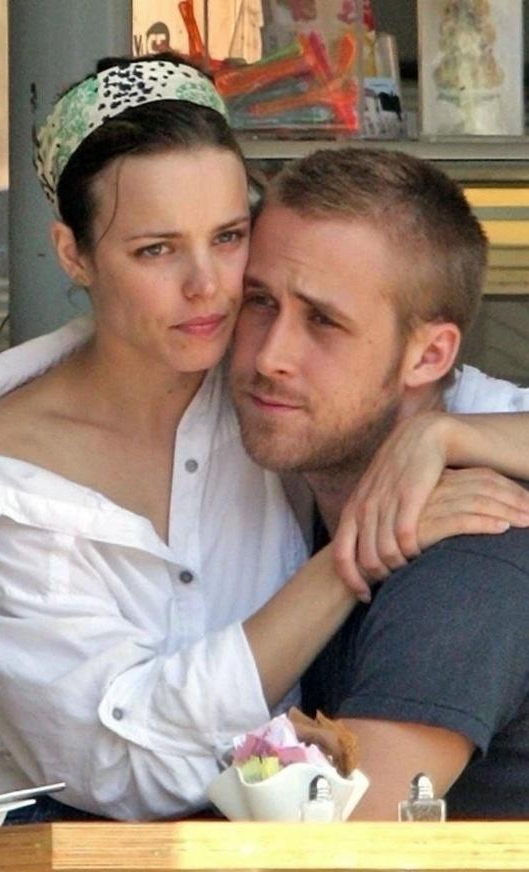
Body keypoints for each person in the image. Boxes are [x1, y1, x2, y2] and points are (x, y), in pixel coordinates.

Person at [0, 53, 527, 823]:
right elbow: (121, 772)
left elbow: (352, 832)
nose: (209, 289)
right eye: (155, 249)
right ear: (74, 253)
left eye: (230, 237)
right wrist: (349, 559)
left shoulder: (272, 389)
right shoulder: (12, 480)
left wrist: (443, 433)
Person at [229, 146, 529, 820]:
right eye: (259, 301)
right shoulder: (277, 509)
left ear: (430, 355)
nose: (270, 356)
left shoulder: (474, 552)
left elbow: (339, 840)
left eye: (323, 321)